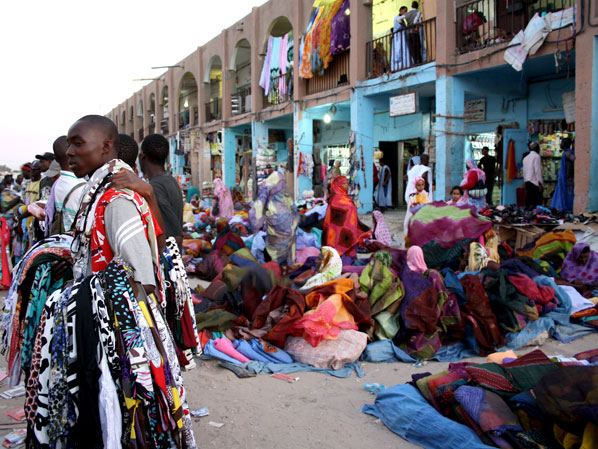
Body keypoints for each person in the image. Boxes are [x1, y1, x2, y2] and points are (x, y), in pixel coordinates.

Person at [64, 114, 196, 448]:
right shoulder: (101, 193)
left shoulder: (116, 200)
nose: (69, 152)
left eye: (77, 143)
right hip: (111, 327)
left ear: (106, 146)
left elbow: (142, 283)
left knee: (129, 415)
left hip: (123, 334)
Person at [135, 133, 184, 248]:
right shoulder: (169, 179)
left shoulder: (155, 188)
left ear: (142, 157)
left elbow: (175, 235)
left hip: (167, 261)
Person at [249, 170, 299, 265]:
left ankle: (277, 268)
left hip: (279, 229)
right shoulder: (272, 189)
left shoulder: (270, 189)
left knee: (276, 256)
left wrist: (256, 226)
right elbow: (294, 211)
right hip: (281, 229)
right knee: (279, 255)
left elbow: (258, 212)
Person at [44, 135, 85, 235]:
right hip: (75, 244)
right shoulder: (81, 187)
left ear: (56, 159)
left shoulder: (58, 183)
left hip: (62, 239)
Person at [323, 175, 362, 258]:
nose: (347, 186)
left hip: (347, 234)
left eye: (347, 183)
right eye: (344, 183)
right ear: (338, 185)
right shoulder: (335, 200)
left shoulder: (345, 198)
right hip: (337, 235)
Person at [551, 137, 574, 212]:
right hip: (566, 180)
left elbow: (574, 159)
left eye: (562, 142)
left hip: (568, 180)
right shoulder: (566, 153)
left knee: (568, 198)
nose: (560, 144)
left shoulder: (568, 153)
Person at [523, 142, 543, 208]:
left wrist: (525, 183)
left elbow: (524, 172)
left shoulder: (525, 158)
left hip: (528, 182)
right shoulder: (537, 156)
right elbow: (537, 171)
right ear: (537, 148)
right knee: (536, 204)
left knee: (529, 202)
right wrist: (540, 183)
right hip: (534, 183)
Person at [391, 6, 410, 71]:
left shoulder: (401, 19)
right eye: (405, 11)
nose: (405, 12)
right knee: (398, 51)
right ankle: (398, 66)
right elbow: (398, 26)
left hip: (402, 37)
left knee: (403, 50)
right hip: (398, 37)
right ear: (401, 10)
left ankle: (405, 64)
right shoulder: (396, 18)